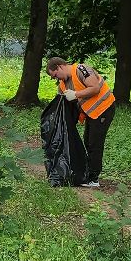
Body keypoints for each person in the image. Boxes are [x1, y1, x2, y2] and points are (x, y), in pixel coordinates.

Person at [46, 55, 116, 188]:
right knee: (88, 141)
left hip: (104, 108)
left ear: (59, 67)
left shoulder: (81, 70)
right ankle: (88, 174)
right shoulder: (63, 85)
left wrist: (76, 94)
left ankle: (93, 178)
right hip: (92, 113)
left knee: (94, 143)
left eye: (55, 75)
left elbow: (95, 88)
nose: (56, 79)